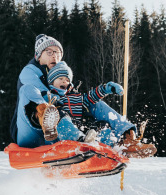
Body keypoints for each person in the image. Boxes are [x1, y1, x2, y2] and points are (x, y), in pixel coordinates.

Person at [10, 34, 156, 158]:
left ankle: (126, 139)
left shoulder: (64, 81)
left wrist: (103, 90)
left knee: (92, 104)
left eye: (58, 53)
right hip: (31, 132)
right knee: (30, 91)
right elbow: (45, 96)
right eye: (49, 52)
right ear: (38, 56)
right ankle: (47, 117)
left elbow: (83, 99)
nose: (55, 55)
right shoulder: (30, 71)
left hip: (57, 133)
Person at [46, 61, 157, 158]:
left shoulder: (76, 97)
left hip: (81, 127)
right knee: (60, 115)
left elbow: (91, 97)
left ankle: (116, 147)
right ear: (51, 81)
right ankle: (81, 141)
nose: (64, 82)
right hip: (65, 132)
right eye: (60, 79)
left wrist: (105, 89)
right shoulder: (49, 96)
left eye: (66, 80)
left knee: (102, 125)